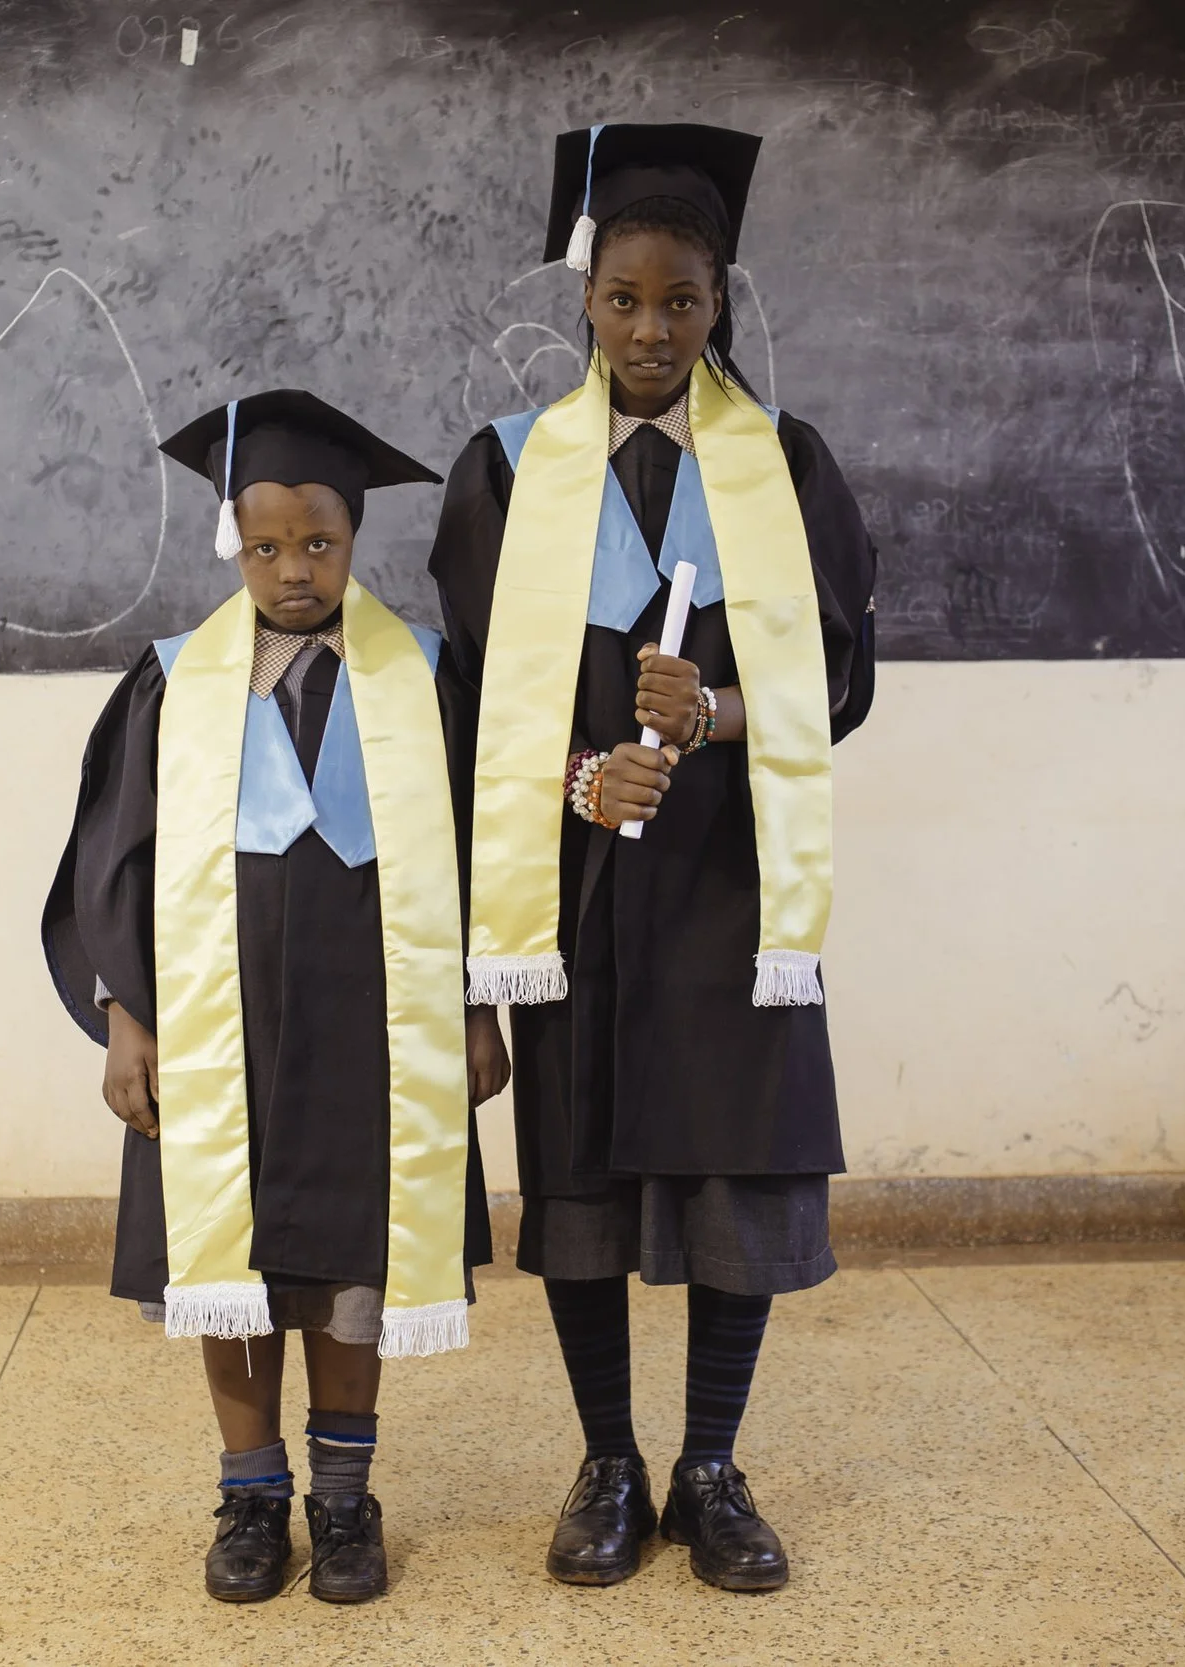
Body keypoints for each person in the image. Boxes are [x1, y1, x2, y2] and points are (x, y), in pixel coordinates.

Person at [429, 123, 878, 1593]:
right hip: (575, 877)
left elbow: (850, 680)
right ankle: (609, 1458)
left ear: (718, 303)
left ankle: (712, 1463)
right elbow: (473, 698)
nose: (649, 329)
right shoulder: (505, 472)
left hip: (738, 883)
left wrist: (724, 707)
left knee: (735, 1164)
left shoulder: (785, 465)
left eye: (680, 300)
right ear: (585, 301)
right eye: (623, 297)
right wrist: (580, 769)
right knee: (581, 1163)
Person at [44, 390, 509, 1605]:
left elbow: (473, 853)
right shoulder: (169, 682)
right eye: (265, 547)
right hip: (218, 1029)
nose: (293, 570)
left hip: (375, 1029)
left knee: (356, 1252)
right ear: (229, 542)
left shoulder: (423, 679)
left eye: (319, 544)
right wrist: (124, 1016)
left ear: (356, 538)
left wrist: (474, 1006)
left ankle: (344, 1500)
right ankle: (251, 1490)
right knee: (229, 1253)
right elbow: (112, 861)